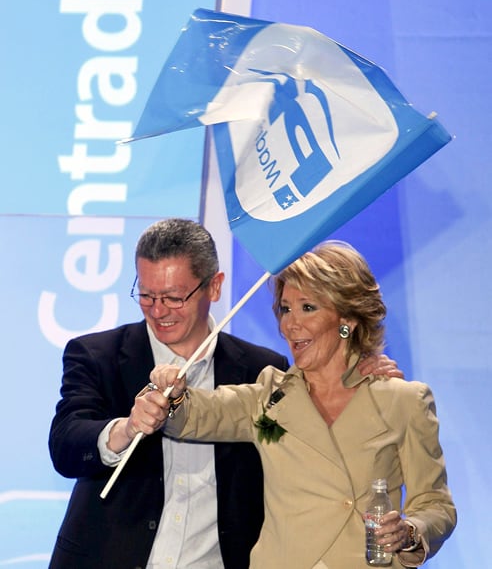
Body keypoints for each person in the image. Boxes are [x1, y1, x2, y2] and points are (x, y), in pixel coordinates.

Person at [48, 220, 403, 569]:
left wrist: (358, 377)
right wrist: (126, 429)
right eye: (146, 295)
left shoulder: (263, 373)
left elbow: (312, 454)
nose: (158, 310)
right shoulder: (98, 355)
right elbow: (66, 445)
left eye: (173, 297)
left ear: (214, 287)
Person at [152, 239, 457, 569]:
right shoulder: (270, 394)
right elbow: (198, 413)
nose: (290, 324)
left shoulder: (404, 400)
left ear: (347, 319)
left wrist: (410, 532)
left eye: (307, 308)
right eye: (285, 308)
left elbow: (436, 503)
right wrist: (172, 395)